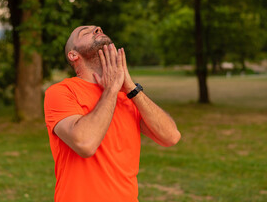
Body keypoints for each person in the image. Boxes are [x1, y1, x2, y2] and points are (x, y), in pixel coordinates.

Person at [44, 25, 181, 202]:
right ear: (73, 55)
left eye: (98, 29)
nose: (97, 28)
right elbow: (85, 143)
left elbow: (171, 137)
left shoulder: (127, 96)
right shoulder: (61, 92)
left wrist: (130, 87)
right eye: (85, 31)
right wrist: (111, 89)